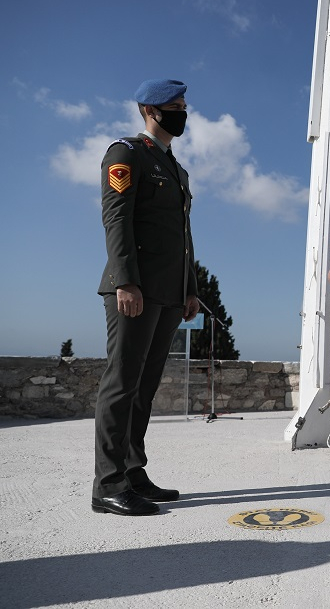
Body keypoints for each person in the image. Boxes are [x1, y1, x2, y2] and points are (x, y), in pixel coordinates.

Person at [92, 79, 199, 516]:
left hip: (169, 293)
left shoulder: (176, 169)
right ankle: (107, 483)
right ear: (149, 111)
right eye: (174, 106)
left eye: (183, 105)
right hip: (134, 289)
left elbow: (184, 237)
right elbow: (116, 221)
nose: (182, 113)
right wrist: (126, 282)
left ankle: (134, 472)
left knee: (144, 388)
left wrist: (190, 289)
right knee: (121, 383)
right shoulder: (126, 154)